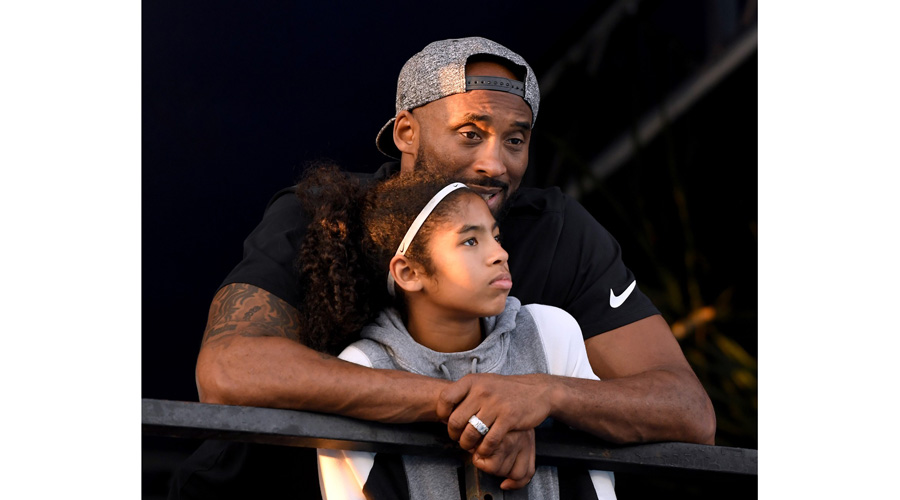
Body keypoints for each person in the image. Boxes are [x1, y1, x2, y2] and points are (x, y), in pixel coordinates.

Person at [174, 36, 714, 498]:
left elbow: (689, 412)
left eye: (516, 140)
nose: (494, 163)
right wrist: (461, 404)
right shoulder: (322, 214)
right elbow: (229, 370)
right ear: (406, 132)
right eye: (470, 133)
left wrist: (540, 394)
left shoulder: (559, 231)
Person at [300, 164, 615, 499]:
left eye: (496, 236)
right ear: (408, 272)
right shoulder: (363, 366)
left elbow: (598, 479)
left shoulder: (549, 333)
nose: (500, 254)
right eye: (470, 241)